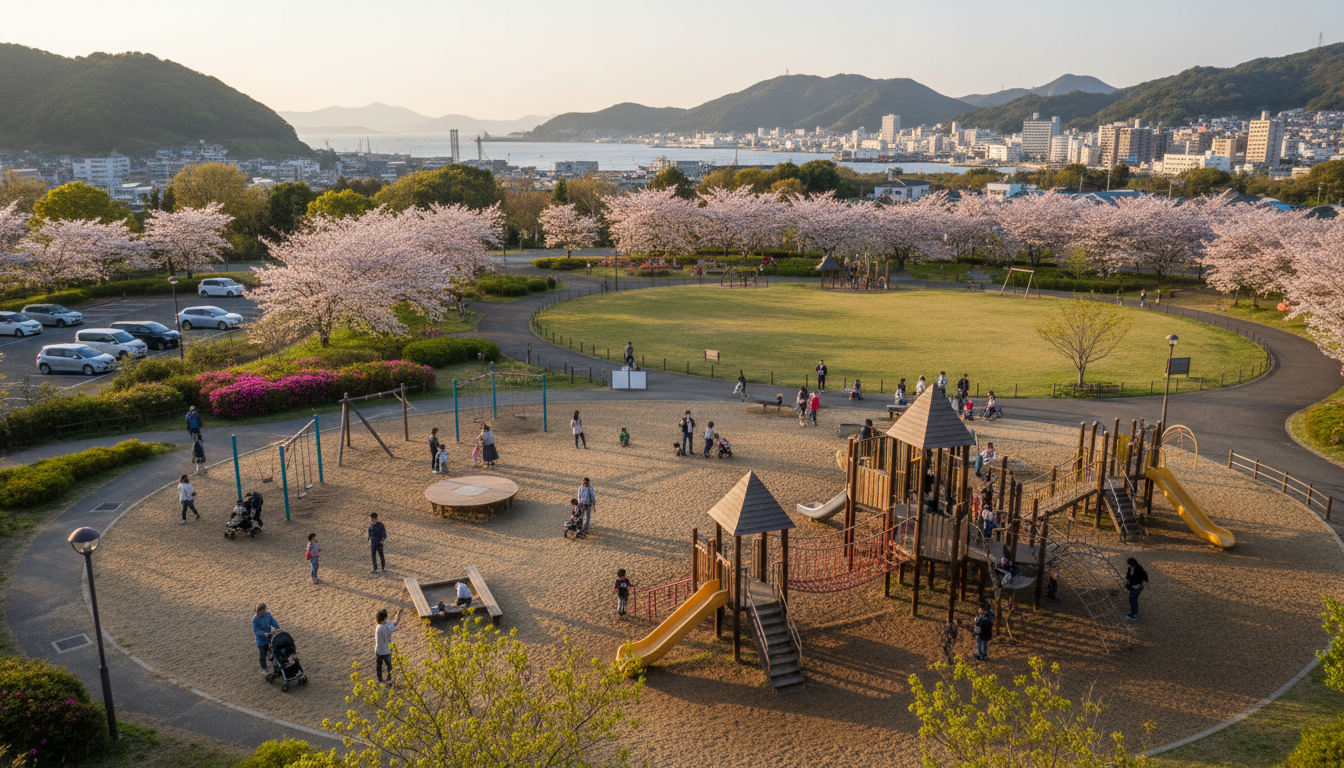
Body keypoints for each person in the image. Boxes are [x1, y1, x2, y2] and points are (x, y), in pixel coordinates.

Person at [374, 607, 402, 686]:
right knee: (389, 667)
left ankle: (381, 680)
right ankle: (389, 681)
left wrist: (397, 615)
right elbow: (394, 625)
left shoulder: (379, 626)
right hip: (386, 650)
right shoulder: (385, 627)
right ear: (385, 617)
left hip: (378, 650)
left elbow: (392, 624)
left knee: (379, 666)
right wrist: (398, 616)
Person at [253, 603, 279, 675]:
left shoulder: (268, 614)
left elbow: (273, 622)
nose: (263, 613)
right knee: (263, 655)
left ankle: (277, 665)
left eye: (264, 611)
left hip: (270, 637)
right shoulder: (255, 620)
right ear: (257, 611)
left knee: (274, 651)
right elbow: (256, 630)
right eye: (261, 612)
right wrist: (263, 633)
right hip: (261, 641)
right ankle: (264, 669)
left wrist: (277, 628)